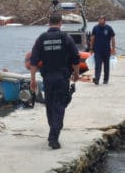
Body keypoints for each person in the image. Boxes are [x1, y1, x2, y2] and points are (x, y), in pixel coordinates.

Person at [30, 12, 80, 149]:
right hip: (61, 78)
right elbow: (76, 57)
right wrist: (76, 74)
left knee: (50, 105)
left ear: (49, 23)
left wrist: (33, 79)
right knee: (59, 105)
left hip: (47, 78)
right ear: (61, 23)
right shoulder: (66, 37)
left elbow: (33, 61)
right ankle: (54, 136)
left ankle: (53, 130)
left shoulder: (41, 38)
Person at [89, 15, 116, 85]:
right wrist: (91, 48)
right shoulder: (95, 28)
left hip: (107, 50)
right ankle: (97, 79)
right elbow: (92, 38)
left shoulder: (109, 28)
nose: (100, 21)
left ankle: (106, 80)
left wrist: (113, 49)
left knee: (106, 66)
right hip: (97, 51)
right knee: (98, 66)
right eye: (99, 19)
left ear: (104, 20)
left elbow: (113, 39)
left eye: (101, 19)